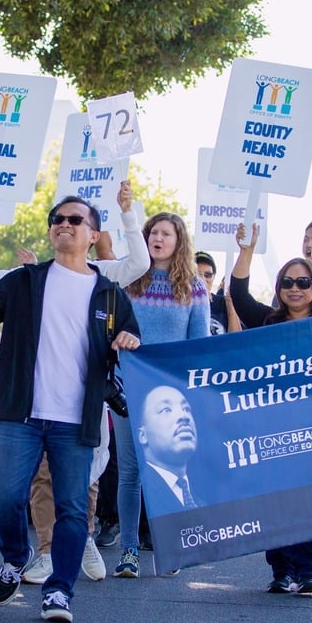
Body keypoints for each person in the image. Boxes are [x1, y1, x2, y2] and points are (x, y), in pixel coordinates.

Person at [0, 195, 141, 623]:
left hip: (76, 421)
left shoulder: (110, 294)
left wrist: (127, 341)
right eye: (57, 219)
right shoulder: (26, 280)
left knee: (70, 508)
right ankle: (16, 557)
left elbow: (130, 340)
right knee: (8, 498)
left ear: (93, 235)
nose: (63, 224)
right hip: (21, 414)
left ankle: (59, 592)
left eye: (74, 219)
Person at [111, 212, 210, 579]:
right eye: (153, 232)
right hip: (127, 386)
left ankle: (171, 547)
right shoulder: (129, 279)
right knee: (131, 471)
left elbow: (198, 346)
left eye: (166, 233)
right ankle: (129, 550)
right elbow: (111, 329)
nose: (157, 238)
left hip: (169, 392)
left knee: (166, 471)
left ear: (178, 240)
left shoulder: (194, 287)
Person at [230, 220, 312, 596]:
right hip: (271, 427)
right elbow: (238, 293)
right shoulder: (266, 322)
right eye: (288, 282)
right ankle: (281, 570)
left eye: (303, 282)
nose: (295, 289)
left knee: (309, 501)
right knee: (275, 500)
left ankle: (308, 572)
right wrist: (247, 251)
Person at [137, 385, 202, 513]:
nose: (183, 416)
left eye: (186, 409)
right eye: (166, 410)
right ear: (143, 435)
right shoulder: (140, 498)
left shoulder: (202, 498)